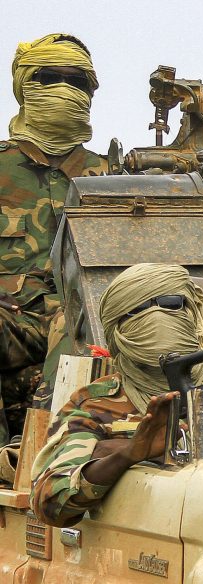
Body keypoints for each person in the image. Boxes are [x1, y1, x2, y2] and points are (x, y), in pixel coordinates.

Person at [31, 263, 203, 527]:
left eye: (171, 304)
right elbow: (48, 503)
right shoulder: (95, 404)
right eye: (137, 311)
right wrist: (130, 455)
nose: (157, 317)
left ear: (192, 310)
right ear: (117, 327)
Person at [0, 33, 108, 443]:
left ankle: (48, 455)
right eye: (49, 78)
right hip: (17, 325)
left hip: (90, 323)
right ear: (25, 87)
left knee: (77, 317)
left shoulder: (115, 179)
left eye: (77, 81)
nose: (64, 89)